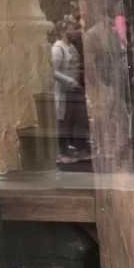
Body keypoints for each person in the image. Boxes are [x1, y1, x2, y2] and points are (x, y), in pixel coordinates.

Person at [52, 14, 89, 164]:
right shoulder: (58, 49)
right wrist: (69, 80)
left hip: (75, 89)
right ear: (63, 31)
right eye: (71, 29)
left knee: (80, 119)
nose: (73, 32)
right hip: (65, 91)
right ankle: (63, 151)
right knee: (65, 122)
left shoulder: (72, 47)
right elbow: (54, 72)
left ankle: (81, 148)